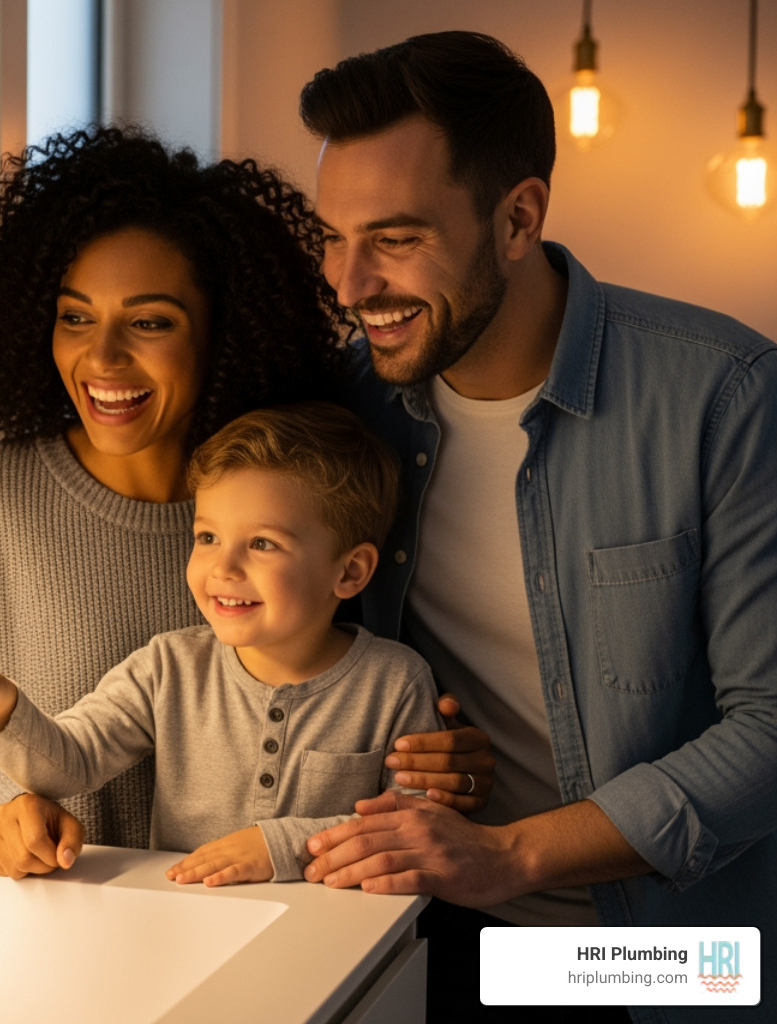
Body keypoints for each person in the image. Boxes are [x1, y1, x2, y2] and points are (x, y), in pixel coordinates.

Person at [297, 30, 777, 1024]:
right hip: (430, 930)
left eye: (394, 239)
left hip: (673, 956)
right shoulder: (347, 412)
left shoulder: (725, 393)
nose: (349, 287)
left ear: (518, 218)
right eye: (332, 238)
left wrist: (510, 851)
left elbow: (772, 723)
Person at [0, 126, 493, 878]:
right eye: (74, 316)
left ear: (219, 331)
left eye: (151, 322)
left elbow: (374, 730)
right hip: (69, 904)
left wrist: (455, 768)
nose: (101, 358)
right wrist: (1, 809)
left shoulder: (300, 498)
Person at [0, 403, 442, 885]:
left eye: (262, 544)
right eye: (207, 537)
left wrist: (282, 847)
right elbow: (72, 760)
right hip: (184, 927)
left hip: (345, 948)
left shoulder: (394, 682)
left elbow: (414, 827)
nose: (222, 567)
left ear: (350, 572)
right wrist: (3, 714)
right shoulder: (168, 667)